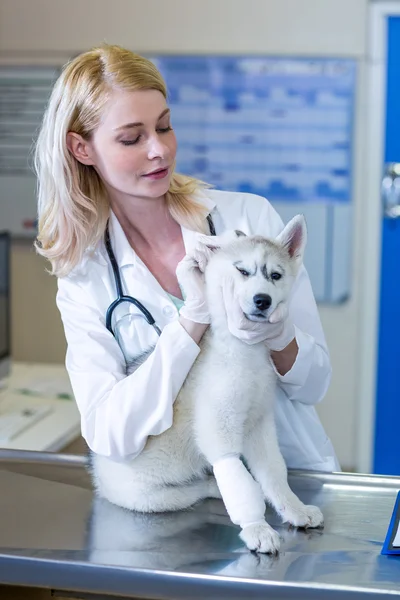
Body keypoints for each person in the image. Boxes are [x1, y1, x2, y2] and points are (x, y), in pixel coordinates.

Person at [34, 44, 340, 472]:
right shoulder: (86, 274)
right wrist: (191, 325)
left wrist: (276, 333)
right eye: (132, 137)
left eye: (164, 127)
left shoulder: (247, 219)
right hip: (179, 498)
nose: (158, 149)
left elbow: (315, 384)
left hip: (285, 480)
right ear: (82, 149)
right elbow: (110, 434)